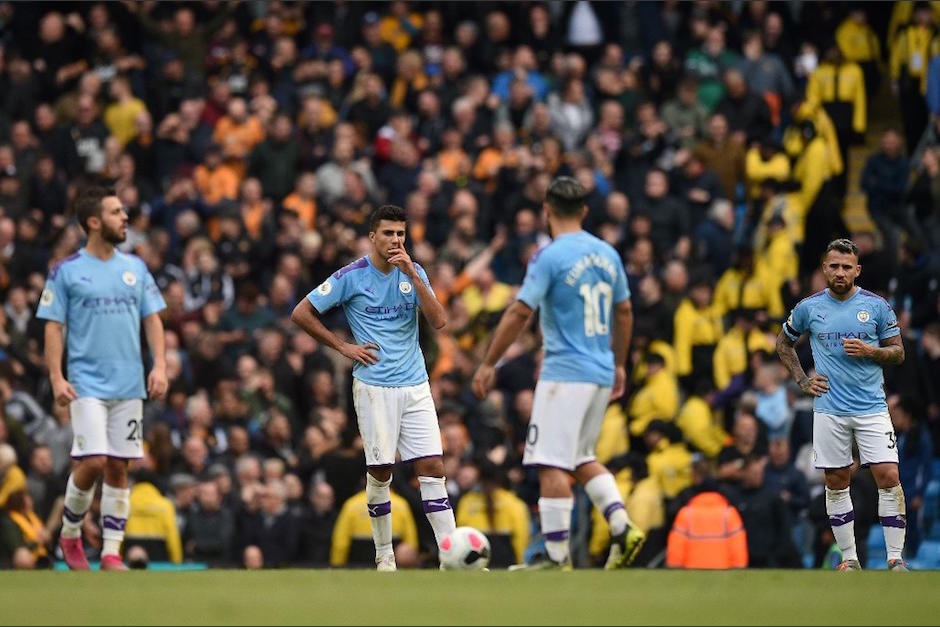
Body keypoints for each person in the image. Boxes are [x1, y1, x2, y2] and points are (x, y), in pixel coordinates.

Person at [471, 176, 645, 569]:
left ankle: (555, 556)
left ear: (546, 210)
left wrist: (488, 362)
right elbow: (624, 311)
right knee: (581, 457)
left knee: (551, 462)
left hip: (565, 372)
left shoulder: (548, 256)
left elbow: (520, 311)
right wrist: (618, 362)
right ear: (583, 212)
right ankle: (622, 525)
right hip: (600, 370)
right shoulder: (608, 254)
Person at [290, 204, 454, 572]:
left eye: (400, 233)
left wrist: (412, 271)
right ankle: (385, 555)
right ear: (372, 237)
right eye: (388, 233)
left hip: (415, 384)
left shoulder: (413, 272)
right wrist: (343, 347)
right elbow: (301, 312)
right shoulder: (351, 277)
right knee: (381, 470)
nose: (395, 240)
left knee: (432, 466)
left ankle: (451, 556)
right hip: (375, 386)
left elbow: (440, 321)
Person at [36, 186, 168, 571]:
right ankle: (71, 532)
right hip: (86, 382)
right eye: (115, 212)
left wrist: (159, 365)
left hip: (128, 384)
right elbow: (52, 328)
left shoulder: (136, 268)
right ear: (93, 222)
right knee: (92, 460)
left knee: (119, 466)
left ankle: (111, 552)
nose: (125, 216)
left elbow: (153, 319)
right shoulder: (67, 271)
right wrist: (57, 377)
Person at [776, 238, 907, 571]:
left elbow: (898, 352)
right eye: (833, 266)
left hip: (872, 407)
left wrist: (870, 351)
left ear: (857, 270)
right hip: (829, 409)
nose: (840, 272)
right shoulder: (808, 308)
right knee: (835, 481)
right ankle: (849, 559)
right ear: (824, 269)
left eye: (846, 266)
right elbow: (783, 343)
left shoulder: (877, 306)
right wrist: (803, 380)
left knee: (888, 475)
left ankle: (895, 558)